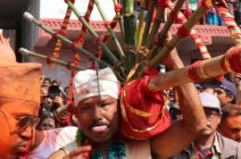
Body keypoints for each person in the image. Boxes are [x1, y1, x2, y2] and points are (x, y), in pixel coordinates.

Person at [50, 45, 207, 158]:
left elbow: (196, 125)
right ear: (76, 114)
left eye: (105, 104)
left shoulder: (144, 147)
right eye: (86, 108)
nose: (97, 115)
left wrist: (174, 61)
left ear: (120, 107)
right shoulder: (64, 156)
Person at [174, 93, 241, 159]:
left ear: (219, 117)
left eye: (210, 114)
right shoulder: (174, 148)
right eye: (198, 114)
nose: (204, 120)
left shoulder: (236, 151)